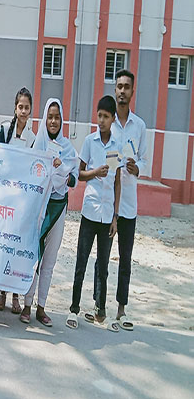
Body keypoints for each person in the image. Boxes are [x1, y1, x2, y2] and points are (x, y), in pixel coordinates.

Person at [20, 98, 79, 326]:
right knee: (35, 256)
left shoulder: (68, 149)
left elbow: (73, 179)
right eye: (50, 117)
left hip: (58, 207)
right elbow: (31, 174)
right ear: (45, 119)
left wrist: (63, 171)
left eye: (57, 117)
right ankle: (27, 303)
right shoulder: (39, 146)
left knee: (50, 260)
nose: (53, 121)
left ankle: (41, 307)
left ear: (61, 120)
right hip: (40, 208)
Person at [66, 95, 122, 332]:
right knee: (81, 262)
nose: (101, 120)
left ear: (113, 119)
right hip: (90, 212)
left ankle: (100, 310)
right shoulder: (90, 141)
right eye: (99, 115)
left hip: (107, 213)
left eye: (106, 117)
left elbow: (118, 181)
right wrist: (95, 172)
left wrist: (116, 218)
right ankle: (74, 308)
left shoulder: (118, 146)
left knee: (103, 265)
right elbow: (79, 174)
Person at [103, 69, 147, 331]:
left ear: (132, 92)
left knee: (125, 258)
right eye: (118, 86)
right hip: (108, 202)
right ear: (114, 89)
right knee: (103, 258)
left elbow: (144, 159)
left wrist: (137, 168)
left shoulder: (139, 126)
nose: (121, 91)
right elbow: (102, 153)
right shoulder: (107, 122)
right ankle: (100, 305)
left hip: (129, 203)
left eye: (126, 87)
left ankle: (121, 307)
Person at [0, 87, 36, 314]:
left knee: (18, 250)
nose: (23, 111)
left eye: (27, 108)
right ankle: (1, 293)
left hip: (23, 203)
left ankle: (16, 297)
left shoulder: (33, 140)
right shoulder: (4, 131)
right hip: (5, 200)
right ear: (15, 108)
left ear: (30, 111)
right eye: (20, 107)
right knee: (4, 248)